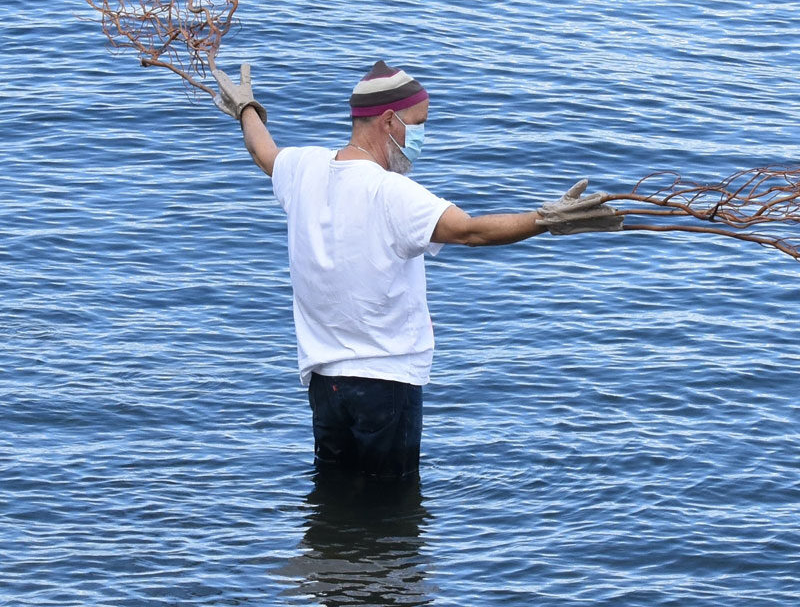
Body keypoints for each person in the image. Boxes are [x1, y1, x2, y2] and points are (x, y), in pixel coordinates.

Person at [212, 59, 622, 478]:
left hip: (324, 384)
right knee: (392, 511)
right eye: (419, 123)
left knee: (332, 497)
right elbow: (470, 232)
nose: (423, 135)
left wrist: (246, 108)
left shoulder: (303, 168)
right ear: (389, 120)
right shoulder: (392, 192)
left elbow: (263, 151)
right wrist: (546, 220)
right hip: (385, 383)